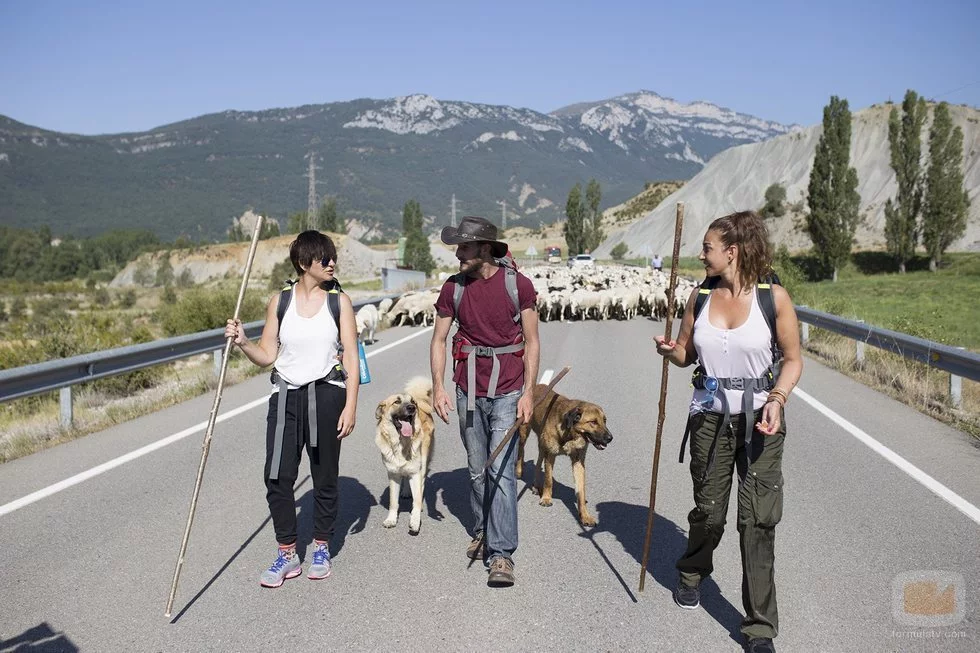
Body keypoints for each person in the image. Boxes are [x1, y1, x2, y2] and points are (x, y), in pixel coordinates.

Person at [654, 211, 802, 653]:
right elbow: (686, 354)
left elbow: (793, 360)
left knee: (756, 520)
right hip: (709, 417)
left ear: (732, 251)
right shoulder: (700, 296)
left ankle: (759, 628)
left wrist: (777, 398)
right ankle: (692, 570)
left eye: (707, 248)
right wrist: (671, 352)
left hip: (761, 420)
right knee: (710, 510)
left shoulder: (773, 298)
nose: (701, 255)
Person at [225, 230, 359, 588]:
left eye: (333, 257)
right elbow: (267, 355)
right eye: (324, 258)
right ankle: (287, 554)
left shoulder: (340, 303)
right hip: (285, 397)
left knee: (324, 476)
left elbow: (352, 357)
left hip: (327, 394)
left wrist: (351, 406)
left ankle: (321, 546)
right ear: (303, 263)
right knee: (277, 476)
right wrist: (243, 342)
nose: (332, 263)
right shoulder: (280, 302)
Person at [430, 216, 540, 588]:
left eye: (464, 247)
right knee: (478, 469)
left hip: (508, 389)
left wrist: (528, 392)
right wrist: (439, 387)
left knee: (501, 471)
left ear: (485, 248)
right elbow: (438, 340)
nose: (458, 254)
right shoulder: (453, 288)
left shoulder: (518, 285)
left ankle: (502, 554)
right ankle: (482, 529)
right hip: (468, 389)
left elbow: (532, 341)